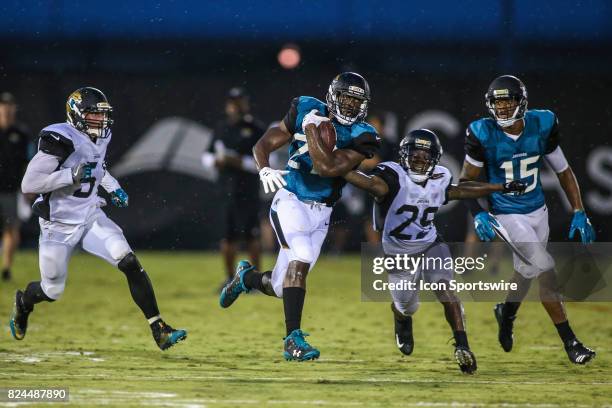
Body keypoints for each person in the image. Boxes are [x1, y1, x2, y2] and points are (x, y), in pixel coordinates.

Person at [9, 87, 187, 350]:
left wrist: (113, 186)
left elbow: (96, 165)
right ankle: (24, 302)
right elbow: (29, 183)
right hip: (57, 224)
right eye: (94, 115)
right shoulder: (60, 138)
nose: (101, 121)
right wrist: (70, 176)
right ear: (77, 115)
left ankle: (158, 327)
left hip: (90, 214)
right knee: (52, 290)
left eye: (103, 115)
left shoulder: (100, 136)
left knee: (126, 259)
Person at [220, 72, 380, 361]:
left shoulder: (363, 135)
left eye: (357, 102)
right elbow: (263, 144)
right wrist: (264, 168)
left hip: (323, 212)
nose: (350, 106)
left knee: (282, 287)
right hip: (290, 200)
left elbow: (328, 168)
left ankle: (247, 277)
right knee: (302, 257)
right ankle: (292, 341)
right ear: (333, 95)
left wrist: (311, 131)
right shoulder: (306, 107)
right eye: (346, 98)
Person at [344, 128, 525, 374]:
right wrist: (336, 167)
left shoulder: (440, 176)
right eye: (414, 155)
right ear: (403, 155)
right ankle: (402, 319)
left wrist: (499, 188)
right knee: (407, 305)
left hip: (430, 243)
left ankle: (463, 346)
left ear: (435, 159)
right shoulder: (390, 176)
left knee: (446, 288)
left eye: (424, 156)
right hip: (398, 252)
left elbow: (457, 191)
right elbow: (368, 183)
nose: (419, 160)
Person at [461, 75, 596, 364]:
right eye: (497, 103)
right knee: (544, 266)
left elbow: (563, 171)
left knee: (525, 272)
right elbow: (465, 183)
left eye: (508, 101)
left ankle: (506, 312)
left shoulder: (542, 123)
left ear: (521, 102)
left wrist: (579, 210)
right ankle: (571, 343)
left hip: (538, 210)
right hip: (507, 214)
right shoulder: (482, 132)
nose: (502, 108)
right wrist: (479, 212)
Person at [203, 88, 265, 290]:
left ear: (245, 103)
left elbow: (264, 162)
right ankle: (230, 279)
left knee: (252, 237)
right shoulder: (221, 128)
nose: (235, 106)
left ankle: (255, 281)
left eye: (239, 101)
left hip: (248, 191)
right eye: (232, 102)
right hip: (226, 191)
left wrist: (239, 161)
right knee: (227, 237)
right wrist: (217, 161)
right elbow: (206, 156)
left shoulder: (255, 129)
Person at [0, 92, 33, 281]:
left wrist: (29, 186)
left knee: (11, 229)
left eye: (9, 105)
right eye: (3, 105)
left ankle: (6, 268)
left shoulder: (21, 134)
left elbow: (28, 162)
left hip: (11, 190)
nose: (6, 109)